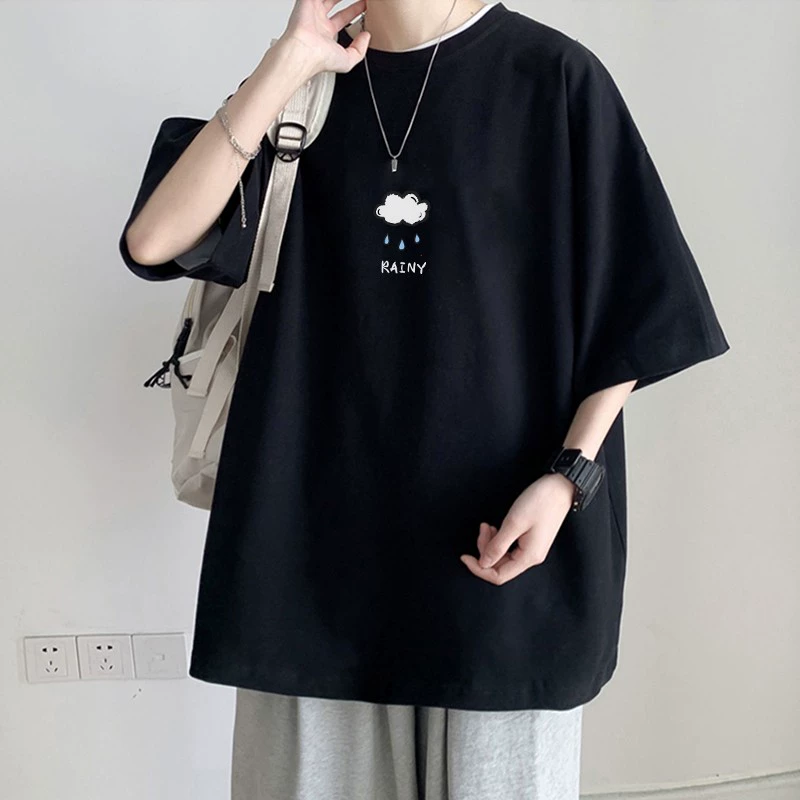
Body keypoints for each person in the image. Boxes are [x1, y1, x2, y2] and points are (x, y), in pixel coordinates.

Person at [119, 1, 730, 797]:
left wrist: (569, 478)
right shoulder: (302, 87)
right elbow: (153, 243)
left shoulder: (553, 77)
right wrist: (288, 60)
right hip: (309, 556)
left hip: (498, 548)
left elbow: (638, 301)